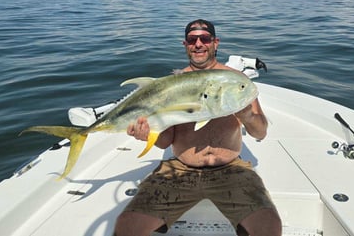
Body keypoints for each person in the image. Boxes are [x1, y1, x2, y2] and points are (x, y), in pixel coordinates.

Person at [114, 19, 282, 236]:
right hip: (180, 170)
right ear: (185, 44)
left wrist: (248, 115)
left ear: (216, 43)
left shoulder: (236, 81)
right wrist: (146, 134)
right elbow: (166, 140)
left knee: (269, 225)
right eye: (193, 40)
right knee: (127, 224)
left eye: (205, 39)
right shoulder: (174, 83)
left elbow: (260, 132)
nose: (199, 44)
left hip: (230, 169)